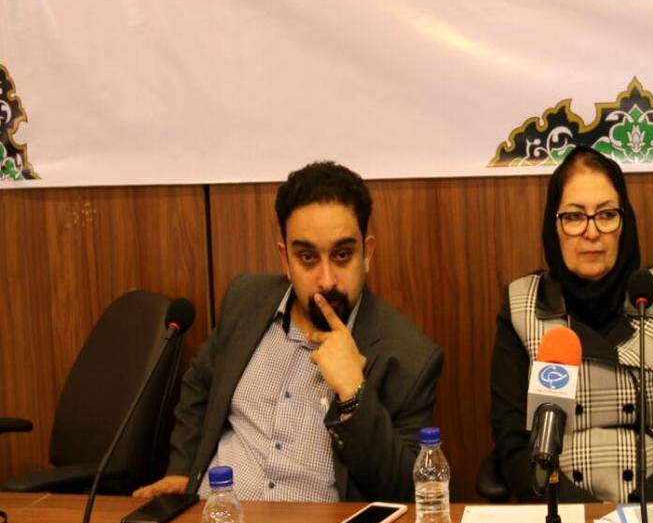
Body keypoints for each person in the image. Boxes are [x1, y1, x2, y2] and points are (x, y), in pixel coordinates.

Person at [134, 161, 443, 502]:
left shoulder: (410, 356)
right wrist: (183, 470)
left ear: (367, 254)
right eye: (307, 257)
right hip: (220, 520)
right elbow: (199, 385)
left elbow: (410, 492)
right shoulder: (246, 300)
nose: (327, 280)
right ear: (285, 260)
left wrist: (354, 395)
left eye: (342, 255)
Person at [490, 145, 653, 502]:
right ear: (554, 226)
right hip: (561, 511)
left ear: (624, 223)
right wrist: (583, 517)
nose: (592, 232)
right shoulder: (522, 307)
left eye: (607, 214)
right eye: (574, 216)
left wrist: (640, 513)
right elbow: (515, 445)